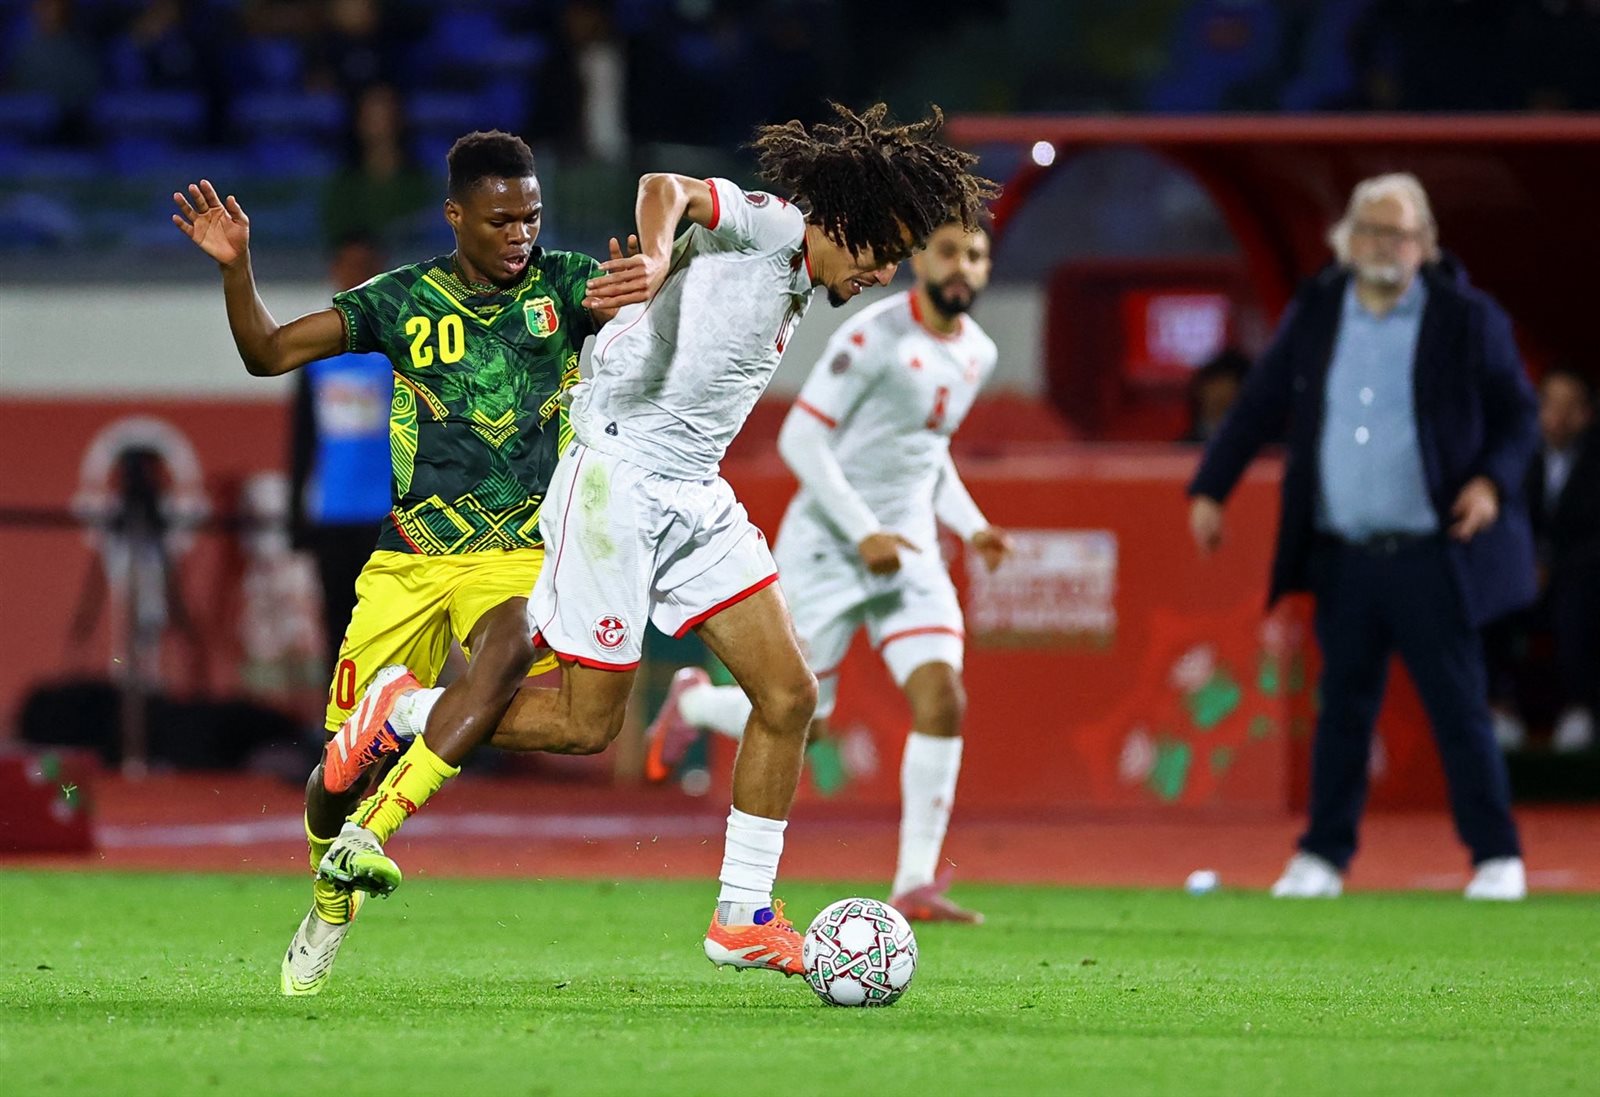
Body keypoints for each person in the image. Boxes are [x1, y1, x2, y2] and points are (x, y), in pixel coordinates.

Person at [321, 102, 997, 976]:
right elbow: (664, 185)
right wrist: (651, 254)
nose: (884, 273)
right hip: (615, 479)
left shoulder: (803, 276)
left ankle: (742, 915)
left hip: (693, 490)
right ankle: (402, 709)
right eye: (883, 252)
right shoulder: (773, 226)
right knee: (586, 726)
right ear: (846, 222)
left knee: (790, 695)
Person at [172, 130, 646, 996]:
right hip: (409, 562)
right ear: (455, 216)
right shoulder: (399, 299)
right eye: (501, 220)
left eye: (532, 217)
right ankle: (332, 879)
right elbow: (268, 354)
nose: (521, 236)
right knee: (335, 775)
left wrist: (650, 300)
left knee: (511, 646)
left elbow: (649, 348)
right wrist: (236, 270)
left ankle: (383, 803)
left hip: (518, 553)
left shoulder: (569, 285)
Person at [641, 219, 1010, 924]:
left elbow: (926, 452)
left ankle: (914, 883)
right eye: (949, 252)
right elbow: (801, 438)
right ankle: (693, 704)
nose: (963, 266)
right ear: (922, 261)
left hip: (908, 549)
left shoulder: (979, 353)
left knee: (943, 697)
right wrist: (862, 530)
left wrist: (972, 526)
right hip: (829, 546)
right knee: (805, 715)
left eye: (976, 255)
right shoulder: (873, 336)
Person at [1186, 172, 1537, 901]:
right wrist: (1212, 487)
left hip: (1432, 553)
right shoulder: (1318, 309)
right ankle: (1322, 856)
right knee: (1341, 710)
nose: (1386, 246)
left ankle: (1496, 855)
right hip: (1343, 553)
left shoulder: (1466, 317)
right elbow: (1259, 402)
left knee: (1459, 709)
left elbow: (1518, 416)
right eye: (1373, 231)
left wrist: (1490, 484)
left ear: (1426, 243)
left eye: (1400, 234)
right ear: (1347, 239)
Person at [287, 234, 392, 666]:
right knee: (336, 628)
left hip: (389, 516)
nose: (357, 276)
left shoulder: (397, 348)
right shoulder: (318, 353)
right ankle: (337, 707)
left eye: (366, 267)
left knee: (386, 629)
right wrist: (295, 513)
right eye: (350, 267)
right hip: (333, 514)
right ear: (335, 272)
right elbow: (302, 439)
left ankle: (391, 709)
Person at [1487, 368, 1600, 752]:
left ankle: (1580, 709)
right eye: (1550, 405)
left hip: (1581, 576)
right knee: (1488, 590)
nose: (1558, 417)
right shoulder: (1518, 456)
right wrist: (1526, 564)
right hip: (1524, 572)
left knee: (1578, 599)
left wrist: (1556, 569)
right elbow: (1506, 519)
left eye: (1571, 406)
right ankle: (1499, 706)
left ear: (1587, 413)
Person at [1180, 348, 1251, 444]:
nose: (1219, 395)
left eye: (1228, 389)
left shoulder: (1265, 447)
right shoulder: (1181, 448)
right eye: (1213, 387)